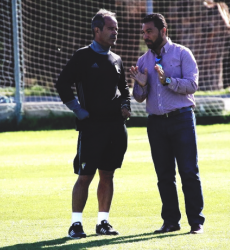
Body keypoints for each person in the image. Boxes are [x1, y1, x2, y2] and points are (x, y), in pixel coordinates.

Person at [55, 9, 131, 239]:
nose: (115, 32)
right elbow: (62, 85)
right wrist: (79, 111)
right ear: (97, 30)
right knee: (85, 175)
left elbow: (124, 88)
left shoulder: (116, 59)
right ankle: (75, 225)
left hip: (116, 128)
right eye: (111, 28)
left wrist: (127, 106)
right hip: (92, 128)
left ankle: (103, 223)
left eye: (116, 28)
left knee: (108, 175)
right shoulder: (82, 56)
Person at [130, 13, 205, 234]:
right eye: (143, 32)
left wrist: (168, 81)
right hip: (155, 124)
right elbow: (139, 97)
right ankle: (171, 221)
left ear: (163, 31)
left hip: (182, 119)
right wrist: (141, 85)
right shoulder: (143, 61)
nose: (145, 36)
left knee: (189, 172)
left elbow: (192, 85)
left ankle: (196, 222)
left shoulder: (182, 54)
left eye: (149, 31)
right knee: (164, 175)